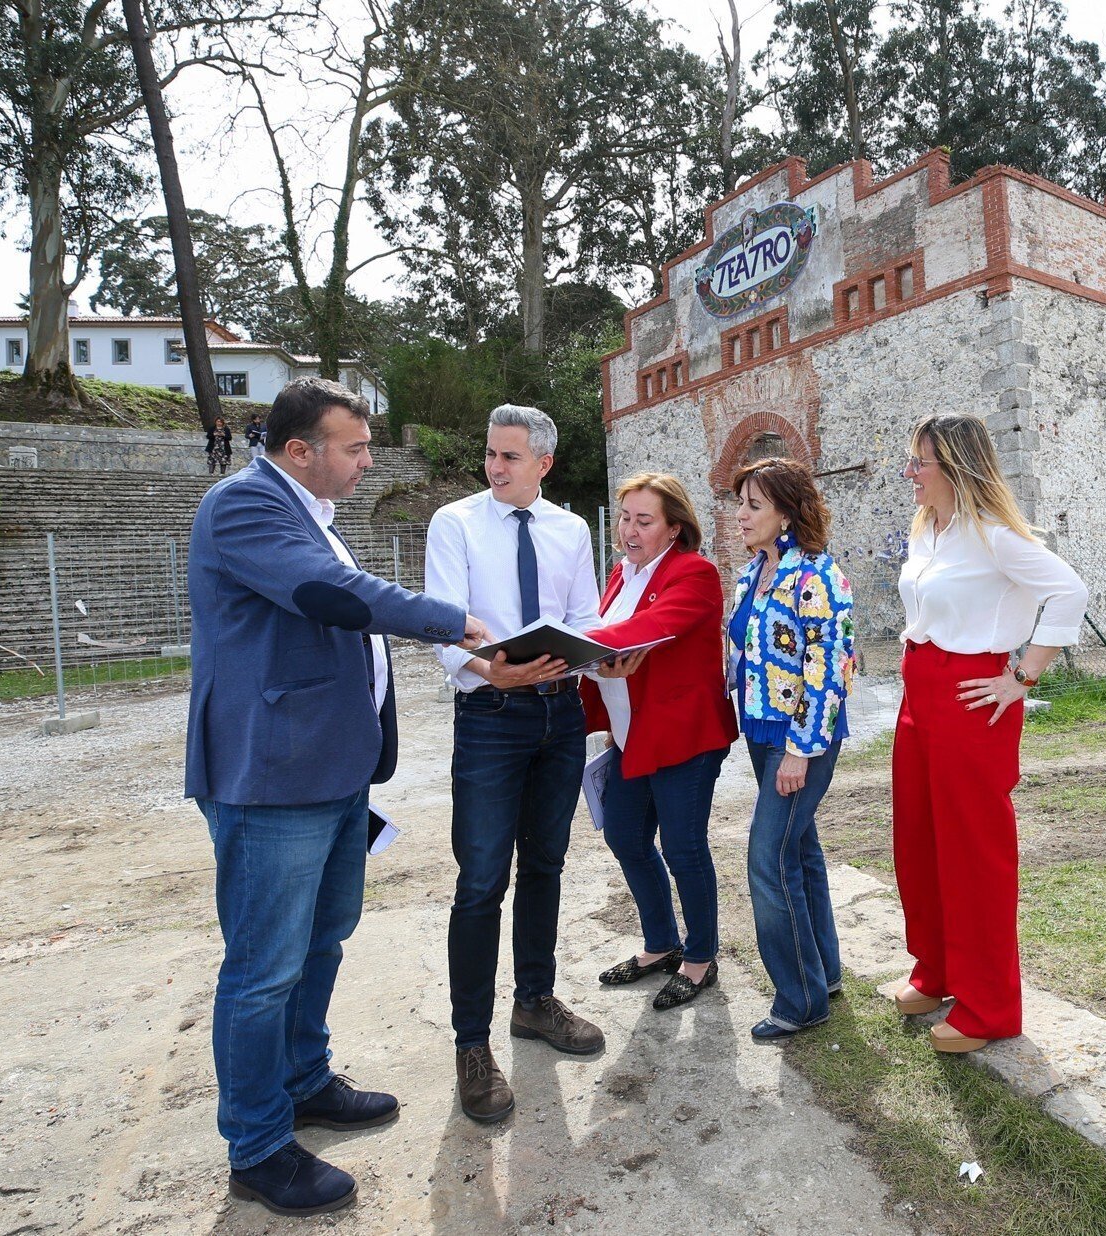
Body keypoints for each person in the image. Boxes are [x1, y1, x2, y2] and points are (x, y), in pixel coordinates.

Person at [185, 377, 488, 1216]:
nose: (367, 461)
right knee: (263, 969)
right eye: (354, 448)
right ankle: (257, 1146)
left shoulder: (306, 512)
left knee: (321, 941)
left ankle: (303, 1080)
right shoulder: (244, 507)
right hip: (273, 778)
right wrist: (447, 619)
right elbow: (328, 596)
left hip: (328, 771)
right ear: (298, 451)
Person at [422, 404, 605, 1125]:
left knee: (546, 865)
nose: (494, 468)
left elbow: (585, 619)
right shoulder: (456, 523)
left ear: (544, 464)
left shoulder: (569, 530)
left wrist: (602, 655)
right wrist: (487, 670)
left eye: (510, 457)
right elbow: (444, 625)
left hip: (560, 715)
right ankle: (471, 1045)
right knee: (480, 882)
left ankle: (534, 1001)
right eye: (490, 454)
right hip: (491, 716)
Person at [892, 413, 1088, 1053]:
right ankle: (938, 971)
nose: (911, 472)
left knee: (973, 851)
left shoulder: (994, 536)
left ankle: (989, 1006)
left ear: (953, 467)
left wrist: (1022, 675)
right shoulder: (929, 529)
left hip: (969, 698)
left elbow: (1068, 591)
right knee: (919, 838)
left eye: (920, 462)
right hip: (919, 694)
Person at [580, 474, 739, 1012]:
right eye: (625, 517)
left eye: (644, 521)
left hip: (685, 738)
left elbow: (649, 628)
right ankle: (661, 943)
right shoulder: (620, 574)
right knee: (625, 835)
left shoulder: (694, 572)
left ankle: (700, 958)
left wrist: (566, 646)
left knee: (683, 846)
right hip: (634, 736)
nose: (629, 530)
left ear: (674, 527)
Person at [728, 457, 857, 1041]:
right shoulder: (752, 572)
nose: (741, 515)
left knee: (768, 860)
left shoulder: (819, 577)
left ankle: (800, 1001)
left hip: (802, 740)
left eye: (754, 505)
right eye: (740, 503)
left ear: (786, 513)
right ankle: (823, 974)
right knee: (799, 852)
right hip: (761, 733)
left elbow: (829, 671)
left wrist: (800, 751)